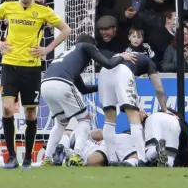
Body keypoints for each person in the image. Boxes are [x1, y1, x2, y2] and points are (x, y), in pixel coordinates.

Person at [0, 0, 71, 169]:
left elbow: (65, 30)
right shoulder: (7, 7)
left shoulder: (43, 12)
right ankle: (12, 156)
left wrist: (47, 49)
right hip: (10, 64)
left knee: (30, 114)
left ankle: (28, 158)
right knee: (7, 108)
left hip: (31, 67)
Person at [40, 34, 136, 167]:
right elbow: (108, 64)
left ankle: (48, 159)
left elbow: (83, 89)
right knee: (84, 119)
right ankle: (77, 155)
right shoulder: (87, 46)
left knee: (61, 122)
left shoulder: (69, 57)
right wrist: (122, 57)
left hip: (45, 84)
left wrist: (102, 86)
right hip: (61, 83)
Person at [98, 52, 166, 165]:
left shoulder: (125, 54)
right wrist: (165, 109)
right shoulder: (149, 61)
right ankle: (142, 159)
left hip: (104, 72)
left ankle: (112, 159)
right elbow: (159, 89)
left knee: (109, 120)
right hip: (123, 71)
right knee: (134, 117)